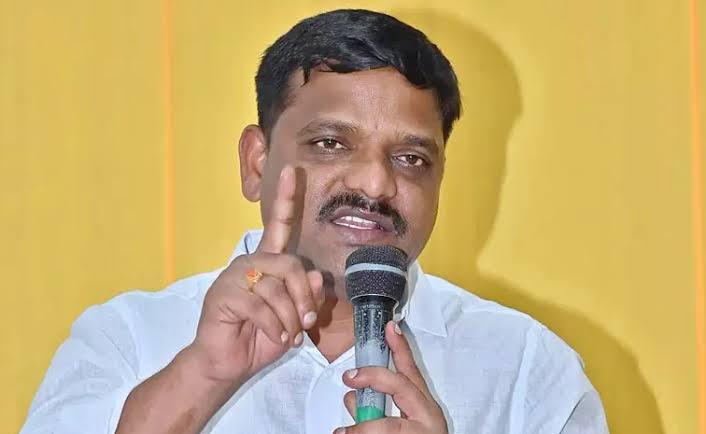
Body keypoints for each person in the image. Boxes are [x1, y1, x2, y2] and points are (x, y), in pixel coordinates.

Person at [21, 9, 609, 434]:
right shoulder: (129, 340)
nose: (376, 184)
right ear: (257, 162)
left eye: (411, 158)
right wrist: (200, 378)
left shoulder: (527, 369)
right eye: (330, 143)